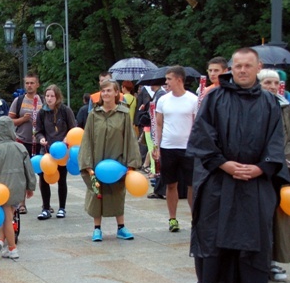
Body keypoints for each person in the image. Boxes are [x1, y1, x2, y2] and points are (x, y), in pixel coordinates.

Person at [187, 47, 289, 283]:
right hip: (220, 177)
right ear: (231, 69)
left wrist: (262, 167)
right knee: (212, 229)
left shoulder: (270, 103)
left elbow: (276, 140)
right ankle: (207, 281)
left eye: (248, 65)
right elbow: (202, 134)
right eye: (238, 66)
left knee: (253, 232)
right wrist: (223, 164)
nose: (243, 70)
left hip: (254, 180)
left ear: (258, 67)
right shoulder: (215, 98)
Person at [258, 69, 290, 281]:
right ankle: (257, 262)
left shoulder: (284, 106)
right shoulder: (253, 105)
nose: (271, 86)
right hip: (260, 169)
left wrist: (284, 160)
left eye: (275, 82)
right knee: (259, 217)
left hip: (282, 170)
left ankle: (273, 261)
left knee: (280, 218)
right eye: (267, 82)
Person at [78, 79, 141, 241]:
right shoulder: (94, 115)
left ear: (116, 93)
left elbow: (130, 138)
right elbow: (87, 139)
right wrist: (87, 163)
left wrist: (131, 163)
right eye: (103, 91)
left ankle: (121, 227)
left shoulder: (123, 114)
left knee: (117, 193)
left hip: (116, 161)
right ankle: (97, 228)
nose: (105, 93)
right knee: (96, 192)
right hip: (97, 161)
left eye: (109, 90)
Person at [0, 116, 36, 259]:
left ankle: (12, 249)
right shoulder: (21, 147)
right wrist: (30, 187)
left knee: (6, 220)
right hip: (18, 187)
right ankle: (1, 241)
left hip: (1, 190)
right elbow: (29, 169)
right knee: (9, 217)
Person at [153, 66, 198, 232]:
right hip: (168, 147)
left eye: (169, 79)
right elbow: (158, 123)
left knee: (192, 185)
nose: (166, 83)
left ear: (179, 80)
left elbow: (196, 125)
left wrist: (196, 145)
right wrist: (157, 146)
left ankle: (195, 219)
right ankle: (172, 218)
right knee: (171, 184)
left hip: (188, 148)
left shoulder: (192, 99)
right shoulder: (163, 100)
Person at [35, 84, 77, 219]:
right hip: (46, 151)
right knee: (44, 178)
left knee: (61, 179)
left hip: (62, 151)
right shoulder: (42, 112)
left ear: (57, 97)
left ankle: (62, 208)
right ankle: (45, 208)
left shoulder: (65, 110)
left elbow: (73, 129)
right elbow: (38, 131)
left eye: (52, 96)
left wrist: (66, 139)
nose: (49, 98)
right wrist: (41, 139)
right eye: (47, 96)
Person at [8, 72, 43, 213]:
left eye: (32, 83)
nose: (29, 85)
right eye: (27, 83)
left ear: (37, 84)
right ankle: (21, 204)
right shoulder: (19, 100)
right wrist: (22, 120)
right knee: (21, 173)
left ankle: (45, 204)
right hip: (22, 140)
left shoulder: (43, 101)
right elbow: (9, 121)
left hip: (40, 141)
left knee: (43, 173)